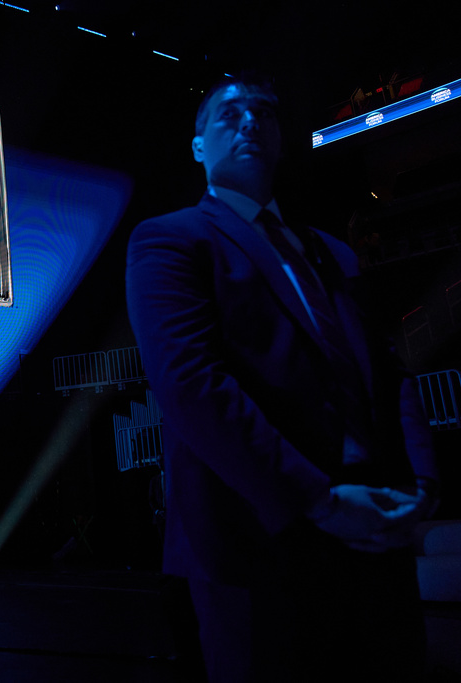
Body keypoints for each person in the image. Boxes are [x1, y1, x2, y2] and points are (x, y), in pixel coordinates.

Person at [125, 75, 439, 682]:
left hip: (377, 525)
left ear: (281, 141)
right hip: (257, 541)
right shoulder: (169, 240)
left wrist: (421, 482)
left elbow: (390, 371)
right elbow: (192, 385)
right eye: (229, 114)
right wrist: (316, 499)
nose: (250, 123)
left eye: (265, 114)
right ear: (197, 147)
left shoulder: (334, 252)